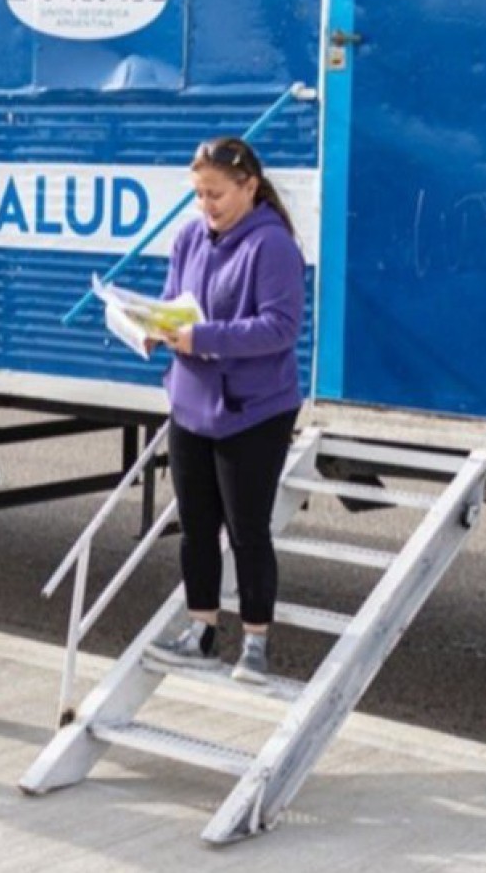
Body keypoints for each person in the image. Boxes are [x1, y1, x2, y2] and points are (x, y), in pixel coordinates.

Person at [143, 137, 308, 684]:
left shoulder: (273, 246)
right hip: (190, 404)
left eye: (215, 194)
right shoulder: (190, 237)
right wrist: (154, 330)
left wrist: (201, 337)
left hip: (253, 409)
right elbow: (172, 304)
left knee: (247, 530)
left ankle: (256, 641)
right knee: (195, 527)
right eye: (199, 195)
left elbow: (279, 329)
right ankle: (201, 630)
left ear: (249, 187)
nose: (205, 205)